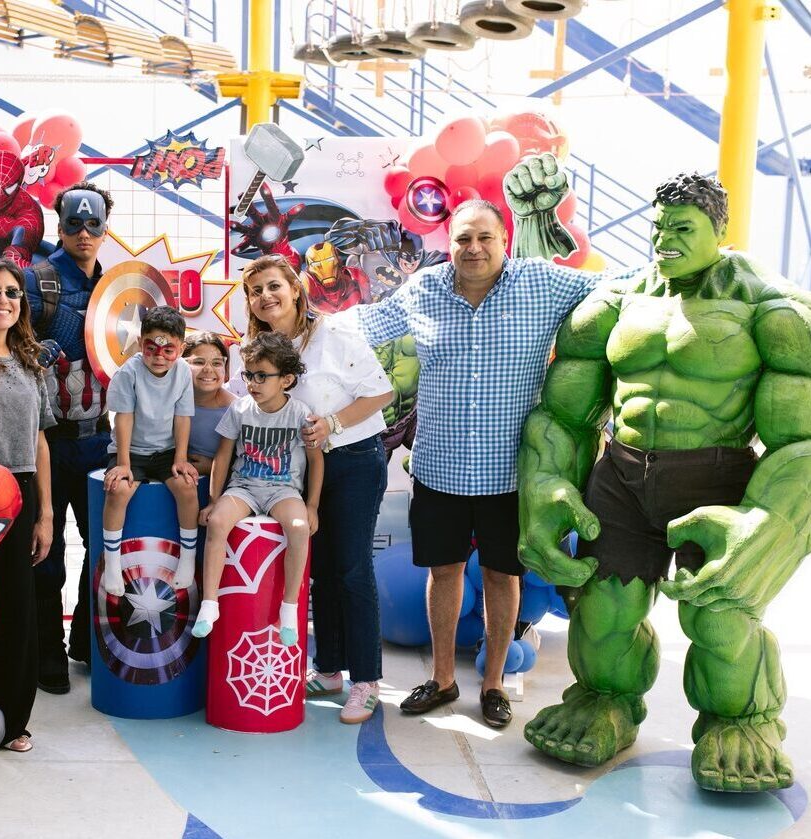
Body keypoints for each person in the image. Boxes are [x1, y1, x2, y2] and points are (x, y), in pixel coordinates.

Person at [518, 172, 811, 793]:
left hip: (716, 478)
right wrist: (545, 483)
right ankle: (605, 701)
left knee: (719, 617)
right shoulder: (616, 299)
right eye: (657, 227)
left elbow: (801, 438)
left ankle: (742, 723)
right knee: (602, 610)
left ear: (719, 231)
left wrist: (770, 519)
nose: (664, 240)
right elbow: (566, 413)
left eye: (682, 228)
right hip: (621, 477)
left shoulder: (771, 307)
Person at [346, 155, 637, 728]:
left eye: (485, 237)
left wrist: (686, 272)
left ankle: (495, 683)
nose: (473, 248)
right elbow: (363, 325)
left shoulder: (542, 283)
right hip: (441, 469)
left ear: (505, 241)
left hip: (511, 472)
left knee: (505, 576)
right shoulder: (424, 289)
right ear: (449, 243)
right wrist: (288, 321)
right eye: (463, 238)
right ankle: (443, 680)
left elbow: (615, 287)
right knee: (444, 572)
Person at [238, 254, 393, 724]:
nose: (266, 296)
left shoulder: (334, 334)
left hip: (354, 461)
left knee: (351, 569)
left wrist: (332, 423)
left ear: (295, 288)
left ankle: (365, 680)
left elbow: (381, 392)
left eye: (273, 286)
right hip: (301, 470)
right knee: (319, 571)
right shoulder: (259, 348)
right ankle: (328, 670)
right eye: (256, 291)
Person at [25, 181, 114, 694]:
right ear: (60, 226)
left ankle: (84, 641)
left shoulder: (118, 287)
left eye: (93, 223)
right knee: (47, 549)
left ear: (105, 230)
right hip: (47, 440)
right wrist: (33, 351)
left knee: (104, 549)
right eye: (74, 223)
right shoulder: (33, 282)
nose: (84, 232)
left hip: (99, 438)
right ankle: (46, 655)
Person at [0, 257, 56, 751]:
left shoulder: (31, 361)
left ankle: (8, 720)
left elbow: (41, 441)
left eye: (12, 292)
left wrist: (45, 513)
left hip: (18, 496)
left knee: (15, 609)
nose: (3, 300)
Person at [193, 332, 323, 645]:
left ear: (286, 379)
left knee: (298, 527)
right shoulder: (239, 409)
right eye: (249, 375)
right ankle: (209, 604)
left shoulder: (300, 413)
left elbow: (316, 460)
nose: (253, 383)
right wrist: (213, 500)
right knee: (217, 522)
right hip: (244, 487)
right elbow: (223, 456)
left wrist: (312, 506)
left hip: (284, 490)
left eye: (262, 376)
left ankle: (289, 608)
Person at [102, 305, 199, 596]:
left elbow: (183, 417)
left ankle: (188, 559)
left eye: (168, 350)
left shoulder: (183, 372)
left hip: (166, 452)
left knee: (187, 487)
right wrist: (123, 463)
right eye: (151, 348)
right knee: (118, 490)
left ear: (181, 349)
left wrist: (180, 458)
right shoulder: (128, 373)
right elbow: (124, 419)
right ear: (140, 342)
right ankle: (112, 563)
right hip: (131, 451)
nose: (159, 357)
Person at [181, 331, 235, 476]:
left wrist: (212, 467)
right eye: (198, 362)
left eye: (217, 363)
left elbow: (255, 464)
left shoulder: (237, 410)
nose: (208, 369)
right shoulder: (169, 401)